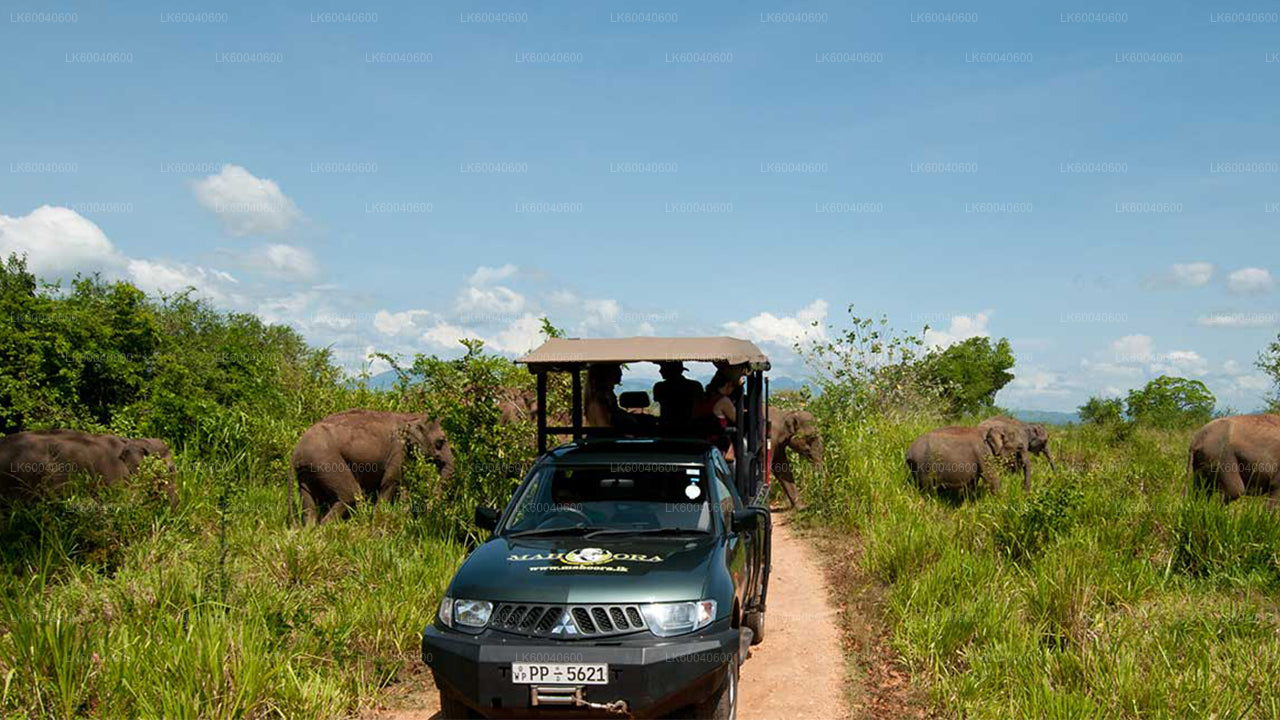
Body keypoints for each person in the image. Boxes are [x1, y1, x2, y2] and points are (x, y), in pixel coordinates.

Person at [692, 372, 738, 459]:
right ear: (729, 384)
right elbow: (738, 420)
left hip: (699, 441)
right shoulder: (723, 400)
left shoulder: (700, 399)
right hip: (716, 444)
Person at [652, 362, 703, 428]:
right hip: (691, 427)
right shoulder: (695, 385)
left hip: (667, 426)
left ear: (671, 371)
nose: (660, 371)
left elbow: (658, 400)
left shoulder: (660, 387)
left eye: (663, 368)